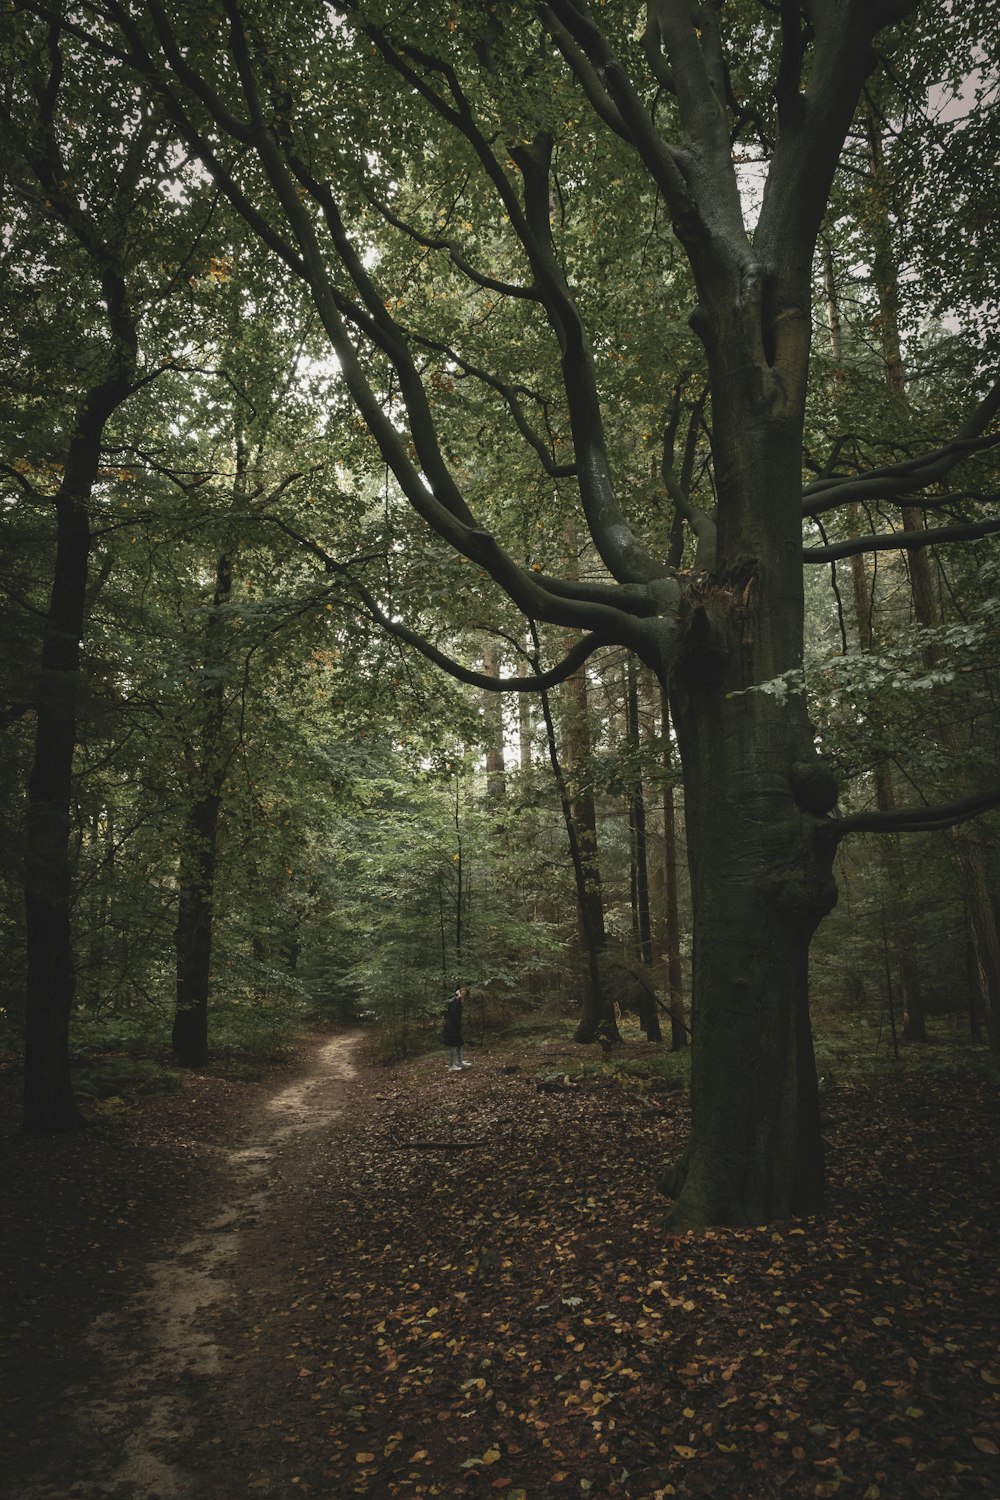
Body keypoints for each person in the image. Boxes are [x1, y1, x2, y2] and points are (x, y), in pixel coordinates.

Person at [442, 984, 471, 1072]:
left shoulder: (456, 999)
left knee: (460, 1043)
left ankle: (460, 1061)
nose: (463, 995)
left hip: (454, 1025)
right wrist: (458, 1024)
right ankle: (451, 1066)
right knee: (453, 1046)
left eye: (465, 994)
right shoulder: (455, 1000)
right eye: (462, 993)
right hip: (451, 1025)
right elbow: (453, 1014)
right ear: (459, 992)